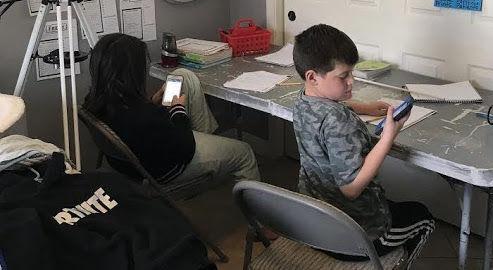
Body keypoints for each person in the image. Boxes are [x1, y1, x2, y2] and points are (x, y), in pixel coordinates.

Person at [292, 24, 434, 269]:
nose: (352, 81)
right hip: (357, 235)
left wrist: (363, 107)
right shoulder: (339, 121)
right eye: (343, 75)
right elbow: (351, 188)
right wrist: (388, 136)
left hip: (314, 224)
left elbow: (327, 108)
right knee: (423, 217)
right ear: (313, 77)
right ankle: (394, 263)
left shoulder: (302, 101)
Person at [83, 33, 260, 190]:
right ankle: (259, 224)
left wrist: (152, 102)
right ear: (131, 73)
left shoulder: (94, 102)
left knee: (183, 76)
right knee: (245, 152)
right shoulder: (145, 119)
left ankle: (209, 141)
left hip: (140, 157)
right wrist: (177, 110)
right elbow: (183, 144)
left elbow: (138, 117)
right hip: (170, 164)